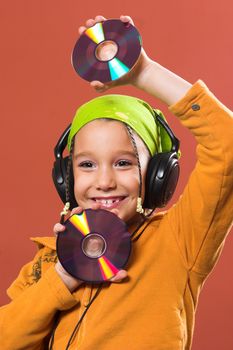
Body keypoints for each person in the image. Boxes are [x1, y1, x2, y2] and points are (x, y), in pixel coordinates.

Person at [0, 14, 232, 350]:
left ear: (157, 176)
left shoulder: (179, 239)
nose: (104, 181)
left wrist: (144, 73)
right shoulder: (48, 262)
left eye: (124, 163)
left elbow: (228, 143)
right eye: (88, 164)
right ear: (66, 179)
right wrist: (61, 281)